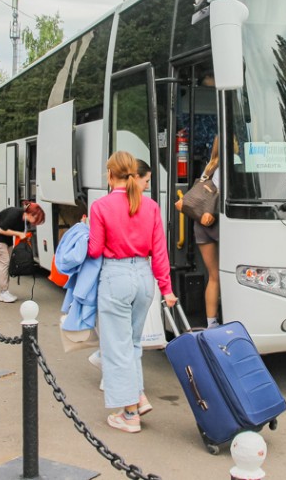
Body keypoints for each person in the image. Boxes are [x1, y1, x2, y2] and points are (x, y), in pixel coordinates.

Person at [86, 151, 177, 434]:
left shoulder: (101, 206)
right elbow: (160, 252)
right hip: (144, 278)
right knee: (133, 345)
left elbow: (95, 250)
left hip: (116, 276)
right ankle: (137, 396)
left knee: (116, 349)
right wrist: (167, 289)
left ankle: (128, 414)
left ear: (111, 175)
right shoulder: (149, 206)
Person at [175, 135, 221, 329]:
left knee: (214, 276)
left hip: (200, 226)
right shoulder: (230, 164)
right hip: (217, 222)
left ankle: (211, 323)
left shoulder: (209, 167)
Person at [0, 202, 46, 303]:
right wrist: (19, 234)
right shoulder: (14, 213)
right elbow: (1, 230)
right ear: (31, 214)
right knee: (4, 262)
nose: (36, 223)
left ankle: (4, 291)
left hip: (5, 239)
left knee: (8, 262)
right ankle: (2, 292)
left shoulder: (25, 220)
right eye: (36, 219)